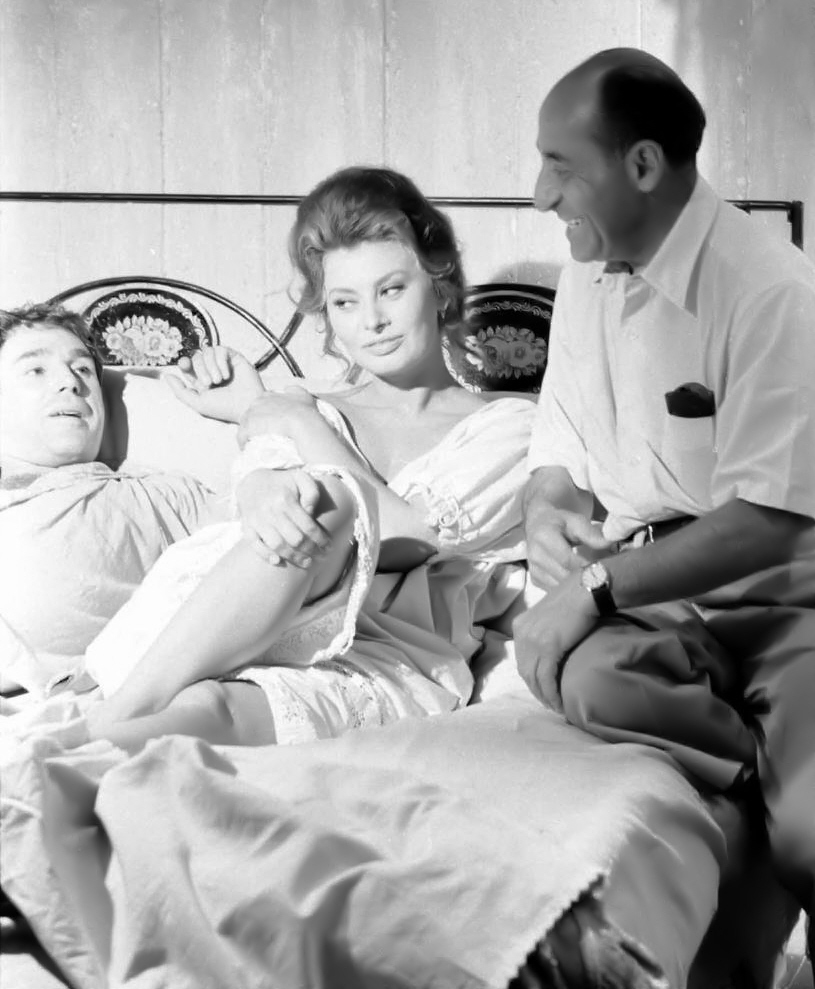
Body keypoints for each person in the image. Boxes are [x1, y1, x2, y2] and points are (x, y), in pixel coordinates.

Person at [513, 47, 815, 963]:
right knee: (586, 679)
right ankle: (759, 777)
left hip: (787, 591)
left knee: (813, 833)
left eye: (560, 166)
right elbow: (559, 449)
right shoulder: (584, 273)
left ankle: (784, 814)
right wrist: (544, 512)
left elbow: (769, 519)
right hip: (655, 590)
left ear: (642, 165)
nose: (540, 194)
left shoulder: (769, 289)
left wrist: (592, 589)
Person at [78, 165, 535, 751]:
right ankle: (109, 721)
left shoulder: (509, 424)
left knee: (208, 707)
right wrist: (258, 468)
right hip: (227, 625)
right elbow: (261, 500)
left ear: (439, 284)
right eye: (345, 301)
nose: (372, 321)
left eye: (392, 289)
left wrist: (290, 420)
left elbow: (409, 535)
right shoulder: (303, 404)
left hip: (385, 654)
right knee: (318, 501)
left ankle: (91, 743)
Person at [0, 303, 213, 698]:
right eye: (36, 370)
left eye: (83, 369)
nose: (70, 382)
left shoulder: (156, 498)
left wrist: (254, 415)